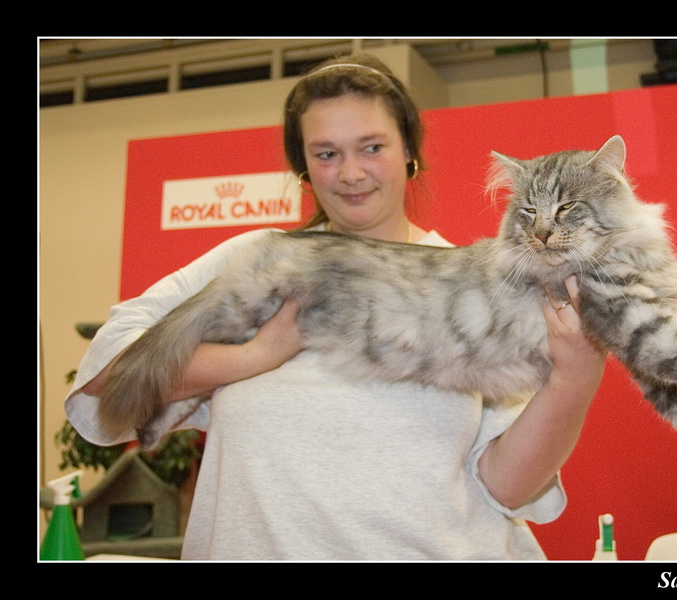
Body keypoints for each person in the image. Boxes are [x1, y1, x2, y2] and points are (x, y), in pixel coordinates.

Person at [64, 54, 607, 561]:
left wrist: (573, 380)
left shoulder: (481, 280)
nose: (350, 173)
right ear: (304, 167)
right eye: (327, 154)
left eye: (372, 147)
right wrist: (258, 354)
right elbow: (107, 381)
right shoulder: (259, 261)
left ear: (409, 151)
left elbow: (506, 484)